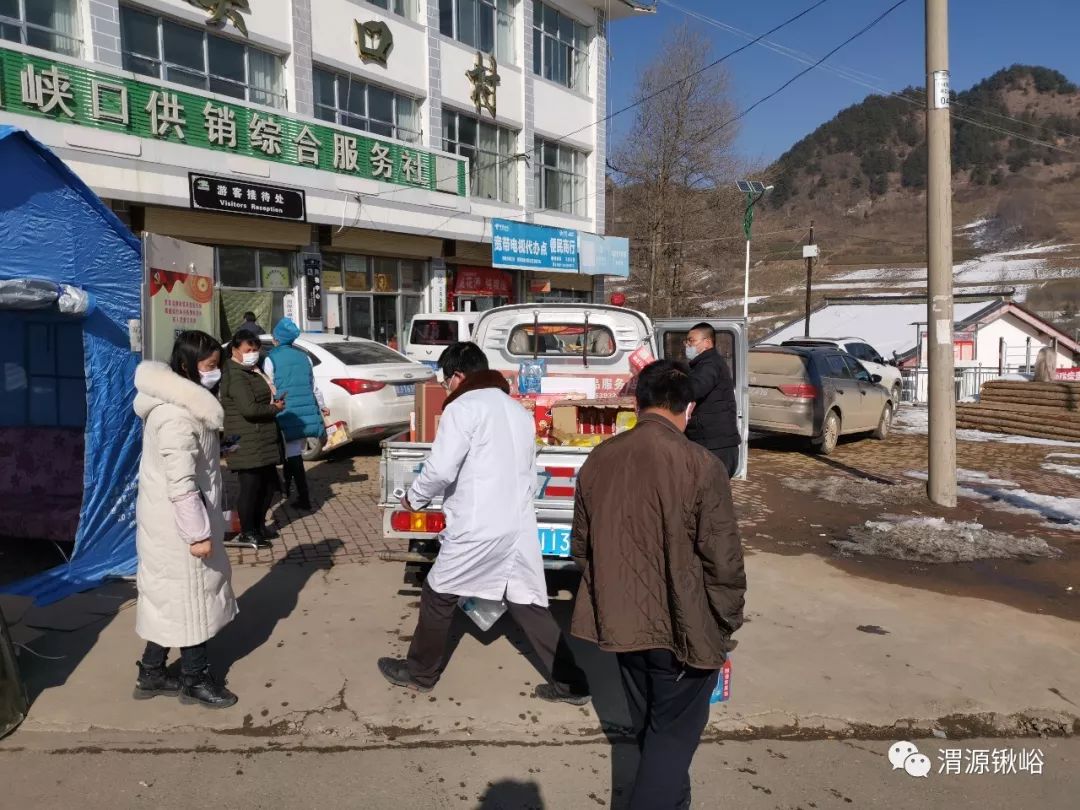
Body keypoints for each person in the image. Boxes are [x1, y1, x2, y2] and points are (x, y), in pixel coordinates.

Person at [571, 359, 746, 809]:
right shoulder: (702, 465)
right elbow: (723, 562)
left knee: (654, 732)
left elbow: (581, 549)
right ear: (688, 408)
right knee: (670, 740)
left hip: (623, 627)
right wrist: (727, 621)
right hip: (682, 630)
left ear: (637, 404)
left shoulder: (599, 459)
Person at [377, 342, 590, 705]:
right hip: (517, 524)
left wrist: (414, 498)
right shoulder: (517, 410)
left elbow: (441, 469)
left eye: (446, 380)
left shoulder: (463, 407)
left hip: (478, 524)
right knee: (528, 601)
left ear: (458, 376)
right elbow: (526, 469)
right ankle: (572, 684)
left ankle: (420, 673)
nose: (446, 387)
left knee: (438, 593)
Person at [132, 331, 239, 708]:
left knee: (170, 600)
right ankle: (195, 679)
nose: (215, 373)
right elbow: (180, 484)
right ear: (185, 365)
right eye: (209, 366)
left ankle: (151, 672)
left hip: (172, 521)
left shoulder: (184, 406)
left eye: (217, 366)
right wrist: (197, 534)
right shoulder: (177, 415)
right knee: (193, 601)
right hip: (180, 524)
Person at [220, 329, 285, 548]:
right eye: (248, 350)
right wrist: (274, 409)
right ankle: (247, 531)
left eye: (255, 349)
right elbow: (249, 409)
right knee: (250, 487)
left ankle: (258, 526)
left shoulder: (252, 370)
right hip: (243, 439)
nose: (253, 353)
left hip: (259, 437)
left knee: (267, 485)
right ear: (235, 350)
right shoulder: (235, 374)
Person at [263, 318, 328, 511]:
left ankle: (303, 496)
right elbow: (313, 387)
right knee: (293, 452)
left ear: (276, 338)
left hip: (285, 411)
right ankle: (288, 489)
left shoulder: (271, 359)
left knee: (292, 454)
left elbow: (269, 387)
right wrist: (322, 406)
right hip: (305, 411)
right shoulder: (304, 357)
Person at [683, 322, 741, 477]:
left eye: (691, 341)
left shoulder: (710, 364)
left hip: (715, 444)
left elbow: (695, 388)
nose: (687, 345)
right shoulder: (701, 365)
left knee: (712, 489)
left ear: (707, 343)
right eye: (686, 341)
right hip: (709, 441)